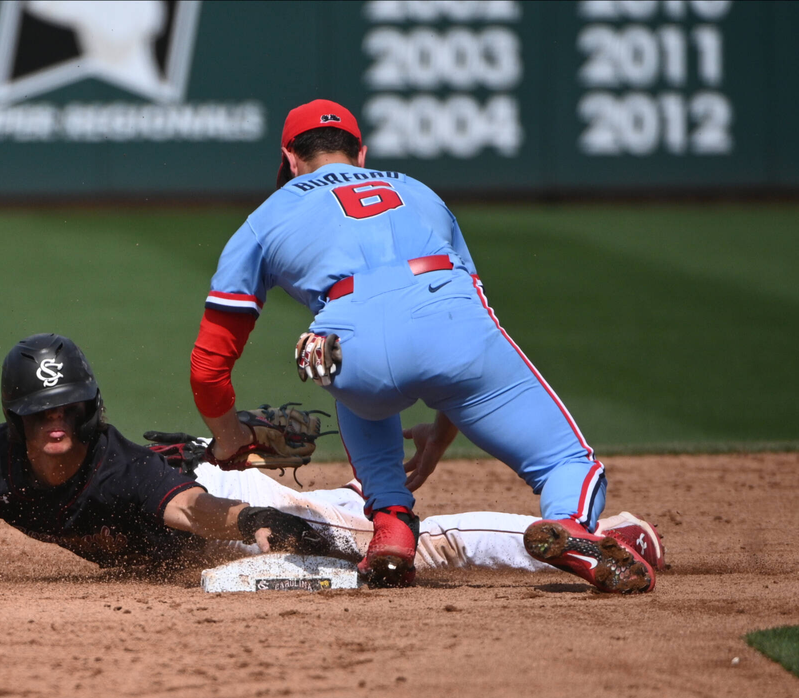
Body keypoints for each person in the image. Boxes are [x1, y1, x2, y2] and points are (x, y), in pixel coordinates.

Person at [188, 98, 659, 593]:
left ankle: (391, 525)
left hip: (350, 354)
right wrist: (440, 434)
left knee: (328, 351)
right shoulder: (419, 191)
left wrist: (230, 438)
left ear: (289, 158)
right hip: (452, 324)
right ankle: (569, 524)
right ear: (361, 154)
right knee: (567, 462)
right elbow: (473, 306)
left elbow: (208, 366)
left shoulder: (263, 218)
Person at [0, 333, 666, 584]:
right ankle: (351, 494)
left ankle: (598, 534)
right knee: (345, 521)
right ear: (15, 422)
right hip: (213, 495)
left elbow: (196, 511)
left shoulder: (119, 472)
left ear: (88, 412)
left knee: (401, 540)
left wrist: (260, 520)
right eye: (37, 415)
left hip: (220, 498)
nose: (54, 425)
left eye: (67, 411)